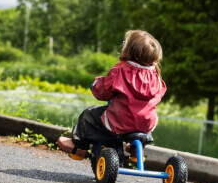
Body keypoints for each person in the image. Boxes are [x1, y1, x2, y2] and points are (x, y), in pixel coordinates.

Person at [56, 30, 167, 159]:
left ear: (129, 51)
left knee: (89, 115)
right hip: (145, 124)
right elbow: (158, 95)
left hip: (120, 121)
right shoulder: (156, 76)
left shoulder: (120, 71)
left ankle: (79, 147)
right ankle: (136, 150)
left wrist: (96, 85)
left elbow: (103, 92)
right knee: (144, 121)